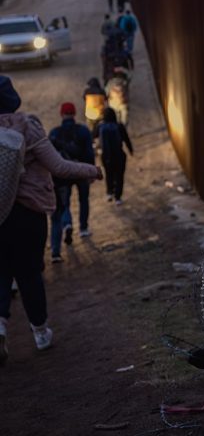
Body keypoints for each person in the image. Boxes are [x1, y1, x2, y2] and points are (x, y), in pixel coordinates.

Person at [0, 76, 103, 363]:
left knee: (2, 272)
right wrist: (91, 171)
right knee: (30, 273)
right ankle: (40, 332)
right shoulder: (27, 128)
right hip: (28, 213)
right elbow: (58, 166)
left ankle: (0, 326)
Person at [48, 102, 96, 262]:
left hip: (63, 174)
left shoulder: (55, 133)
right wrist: (91, 171)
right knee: (84, 200)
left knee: (64, 203)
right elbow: (89, 153)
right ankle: (83, 228)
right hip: (81, 171)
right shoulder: (82, 131)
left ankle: (67, 223)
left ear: (62, 114)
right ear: (74, 114)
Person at [95, 107, 133, 205]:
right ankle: (118, 197)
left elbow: (92, 135)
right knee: (119, 176)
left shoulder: (100, 127)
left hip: (106, 156)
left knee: (109, 174)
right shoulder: (119, 126)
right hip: (119, 155)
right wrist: (130, 150)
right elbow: (126, 139)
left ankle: (109, 192)